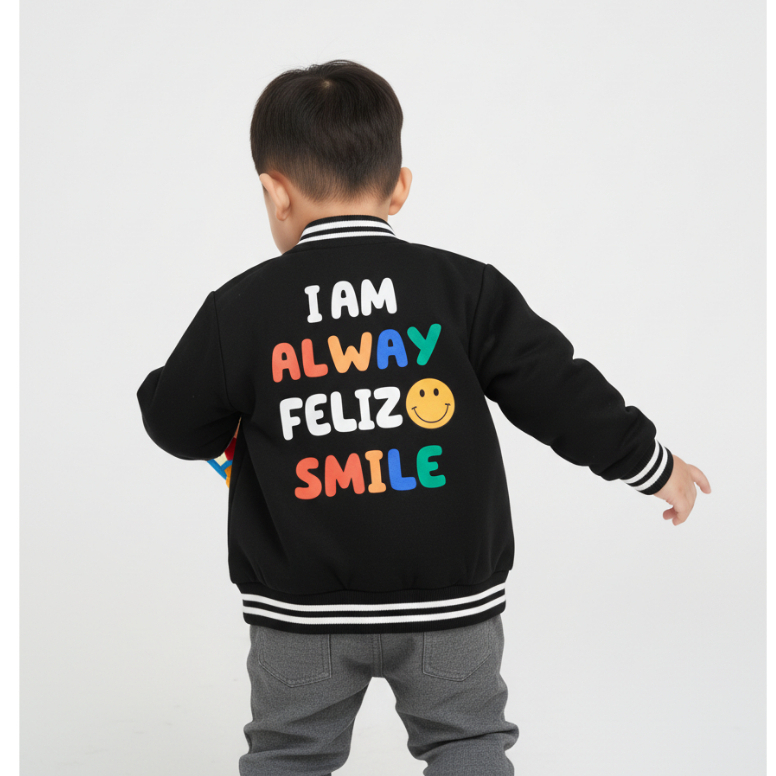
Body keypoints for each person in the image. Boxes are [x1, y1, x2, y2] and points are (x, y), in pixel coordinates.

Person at [136, 59, 711, 776]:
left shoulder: (242, 308)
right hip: (451, 599)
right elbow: (556, 389)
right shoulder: (464, 289)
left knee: (289, 754)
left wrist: (230, 433)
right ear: (400, 187)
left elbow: (172, 419)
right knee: (468, 745)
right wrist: (652, 464)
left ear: (274, 192)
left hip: (301, 608)